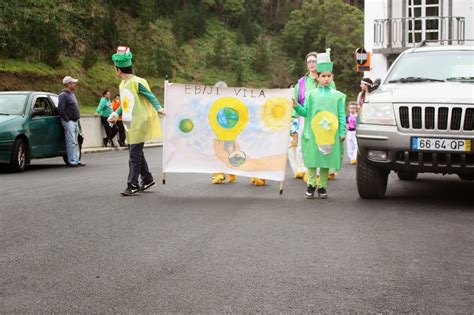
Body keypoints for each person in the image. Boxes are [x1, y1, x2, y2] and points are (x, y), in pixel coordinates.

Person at [108, 46, 165, 196]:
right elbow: (125, 103)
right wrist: (116, 113)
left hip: (140, 122)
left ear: (118, 70)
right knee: (137, 152)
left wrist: (159, 108)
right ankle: (147, 179)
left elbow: (150, 95)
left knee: (134, 153)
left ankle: (132, 184)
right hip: (130, 123)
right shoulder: (123, 84)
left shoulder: (137, 82)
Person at [293, 49, 346, 199]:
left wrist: (342, 131)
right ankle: (311, 185)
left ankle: (322, 186)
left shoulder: (338, 96)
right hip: (313, 132)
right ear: (319, 77)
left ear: (332, 77)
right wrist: (296, 105)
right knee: (312, 159)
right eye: (323, 76)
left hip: (329, 133)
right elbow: (305, 112)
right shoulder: (311, 95)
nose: (326, 79)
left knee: (325, 160)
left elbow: (341, 114)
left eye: (329, 76)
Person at [57, 76, 86, 167]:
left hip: (75, 121)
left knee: (76, 141)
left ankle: (76, 160)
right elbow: (61, 109)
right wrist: (67, 120)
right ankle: (72, 161)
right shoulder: (63, 95)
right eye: (73, 83)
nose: (74, 85)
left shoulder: (71, 94)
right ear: (68, 84)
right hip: (69, 121)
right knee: (71, 141)